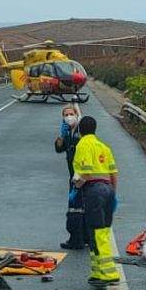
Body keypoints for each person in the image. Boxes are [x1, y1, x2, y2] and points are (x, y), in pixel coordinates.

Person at [70, 115, 119, 288]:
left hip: (94, 190)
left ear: (80, 130)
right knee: (102, 231)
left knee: (96, 232)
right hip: (108, 190)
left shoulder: (83, 144)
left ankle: (108, 273)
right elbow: (113, 173)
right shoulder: (103, 146)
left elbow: (86, 172)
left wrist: (76, 186)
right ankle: (97, 272)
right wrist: (113, 193)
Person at [56, 105, 86, 249]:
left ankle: (77, 240)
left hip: (81, 176)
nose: (68, 117)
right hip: (73, 175)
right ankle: (82, 238)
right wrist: (61, 136)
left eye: (71, 114)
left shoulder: (81, 131)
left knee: (75, 209)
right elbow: (59, 149)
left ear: (76, 115)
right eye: (66, 114)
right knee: (78, 208)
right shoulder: (67, 132)